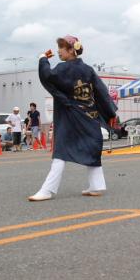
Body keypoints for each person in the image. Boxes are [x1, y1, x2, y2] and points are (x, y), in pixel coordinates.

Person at [28, 35, 116, 201]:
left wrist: (42, 59)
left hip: (71, 115)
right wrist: (110, 113)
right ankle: (97, 185)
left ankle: (48, 190)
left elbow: (47, 76)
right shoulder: (88, 69)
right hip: (90, 115)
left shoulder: (63, 68)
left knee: (61, 150)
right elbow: (102, 92)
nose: (58, 51)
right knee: (92, 149)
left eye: (61, 48)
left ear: (71, 50)